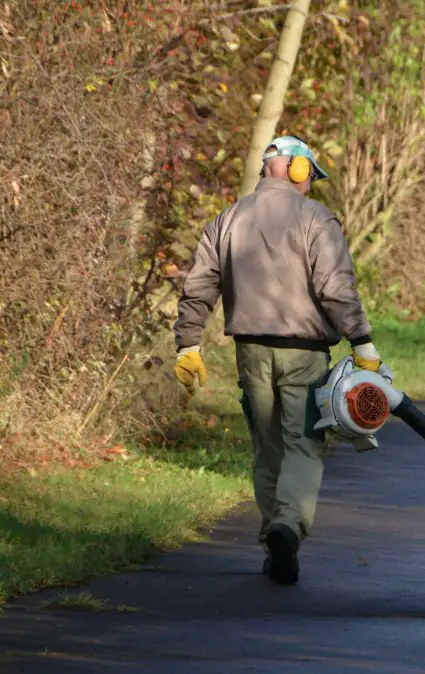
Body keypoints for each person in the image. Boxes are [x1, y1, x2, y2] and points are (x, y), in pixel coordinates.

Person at [171, 135, 383, 585]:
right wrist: (361, 342)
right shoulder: (315, 219)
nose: (311, 187)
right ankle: (288, 525)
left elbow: (199, 285)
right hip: (303, 354)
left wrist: (188, 344)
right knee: (304, 444)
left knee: (268, 449)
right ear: (298, 170)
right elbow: (335, 288)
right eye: (311, 177)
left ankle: (273, 539)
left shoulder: (227, 219)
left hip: (250, 352)